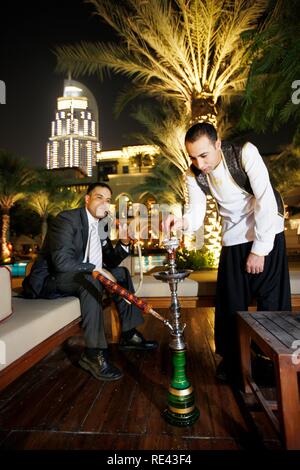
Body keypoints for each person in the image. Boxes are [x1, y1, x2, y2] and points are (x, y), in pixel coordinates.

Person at [163, 122, 291, 383]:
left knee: (272, 301)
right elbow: (196, 215)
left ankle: (270, 362)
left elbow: (266, 200)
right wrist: (181, 221)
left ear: (218, 144)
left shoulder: (245, 153)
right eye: (193, 157)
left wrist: (260, 249)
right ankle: (233, 361)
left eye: (204, 155)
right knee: (230, 302)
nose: (199, 163)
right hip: (233, 236)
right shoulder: (193, 175)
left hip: (267, 229)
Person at [22, 182, 158, 382]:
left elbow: (110, 260)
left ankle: (128, 334)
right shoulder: (67, 220)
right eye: (99, 197)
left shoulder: (102, 225)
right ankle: (93, 354)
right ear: (87, 199)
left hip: (82, 275)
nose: (105, 203)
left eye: (108, 200)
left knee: (120, 272)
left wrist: (124, 243)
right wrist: (97, 271)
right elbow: (62, 263)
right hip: (52, 280)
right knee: (92, 278)